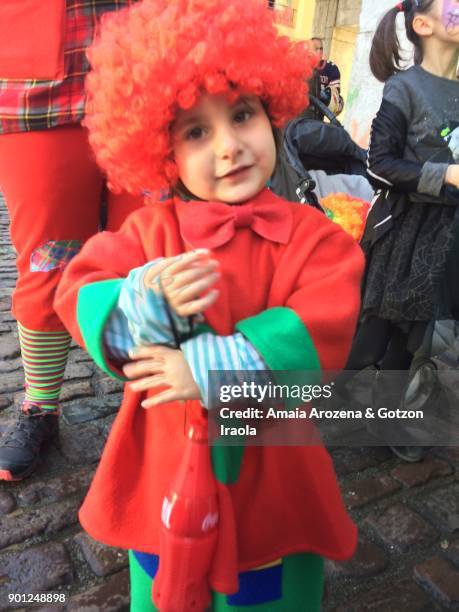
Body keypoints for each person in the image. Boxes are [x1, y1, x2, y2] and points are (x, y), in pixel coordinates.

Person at [55, 0, 364, 609]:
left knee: (268, 593)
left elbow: (321, 326)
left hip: (270, 470)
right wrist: (144, 302)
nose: (228, 147)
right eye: (197, 131)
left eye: (242, 115)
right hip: (164, 470)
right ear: (163, 153)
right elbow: (82, 289)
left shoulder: (315, 239)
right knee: (166, 589)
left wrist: (210, 369)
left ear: (272, 112)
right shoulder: (148, 234)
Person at [0, 0, 144, 481]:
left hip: (154, 54)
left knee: (156, 255)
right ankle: (40, 406)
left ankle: (151, 406)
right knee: (45, 259)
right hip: (34, 75)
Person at [343, 0, 459, 461]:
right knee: (373, 335)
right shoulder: (405, 88)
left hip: (448, 238)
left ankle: (386, 417)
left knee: (416, 337)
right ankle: (305, 404)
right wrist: (446, 176)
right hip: (404, 235)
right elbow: (380, 164)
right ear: (423, 24)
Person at [310, 37, 344, 118]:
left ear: (321, 51)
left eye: (314, 49)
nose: (309, 52)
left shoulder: (331, 69)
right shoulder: (300, 67)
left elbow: (334, 98)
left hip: (317, 116)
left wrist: (321, 94)